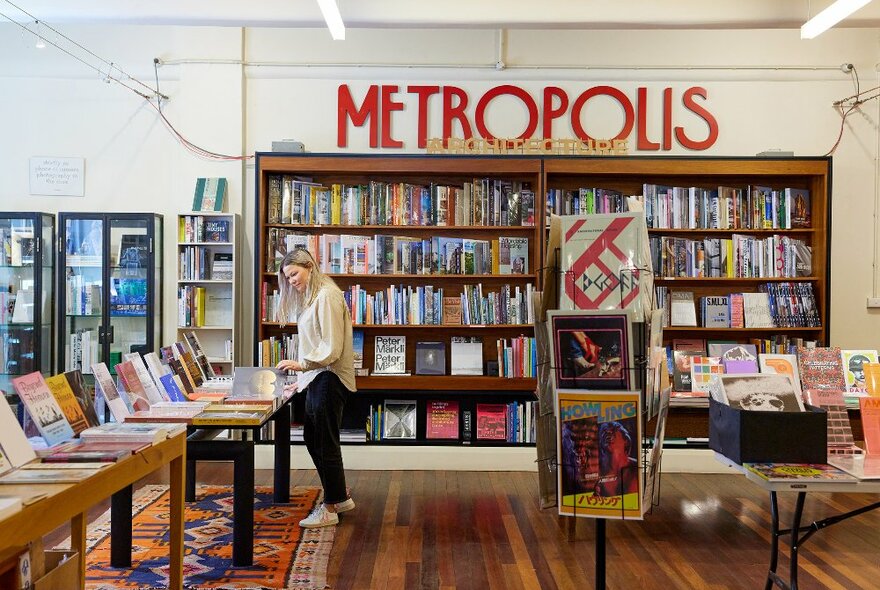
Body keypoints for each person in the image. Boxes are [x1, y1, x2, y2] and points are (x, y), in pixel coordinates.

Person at [275, 248, 357, 528]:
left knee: (323, 442)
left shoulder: (327, 296)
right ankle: (339, 497)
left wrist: (302, 365)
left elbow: (331, 348)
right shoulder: (312, 296)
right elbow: (317, 343)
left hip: (330, 377)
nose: (292, 281)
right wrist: (302, 379)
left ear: (309, 266)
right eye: (287, 277)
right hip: (319, 377)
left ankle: (330, 508)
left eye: (294, 274)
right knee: (315, 438)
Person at [594, 421, 639, 497]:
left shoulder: (635, 467)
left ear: (626, 441)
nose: (608, 432)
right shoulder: (596, 470)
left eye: (614, 429)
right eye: (604, 431)